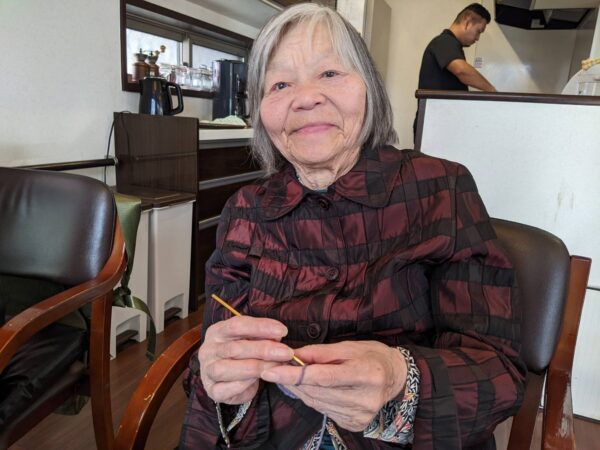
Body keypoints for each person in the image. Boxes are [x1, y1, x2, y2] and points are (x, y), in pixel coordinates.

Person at [180, 4, 525, 449]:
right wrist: (219, 378)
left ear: (369, 89)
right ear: (262, 111)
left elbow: (499, 371)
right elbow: (215, 358)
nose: (305, 98)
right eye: (280, 84)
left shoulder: (441, 188)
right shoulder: (245, 210)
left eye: (329, 73)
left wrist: (400, 378)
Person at [418, 3, 496, 92]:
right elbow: (462, 70)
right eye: (478, 31)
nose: (478, 38)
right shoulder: (444, 41)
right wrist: (491, 90)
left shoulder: (450, 44)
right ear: (467, 22)